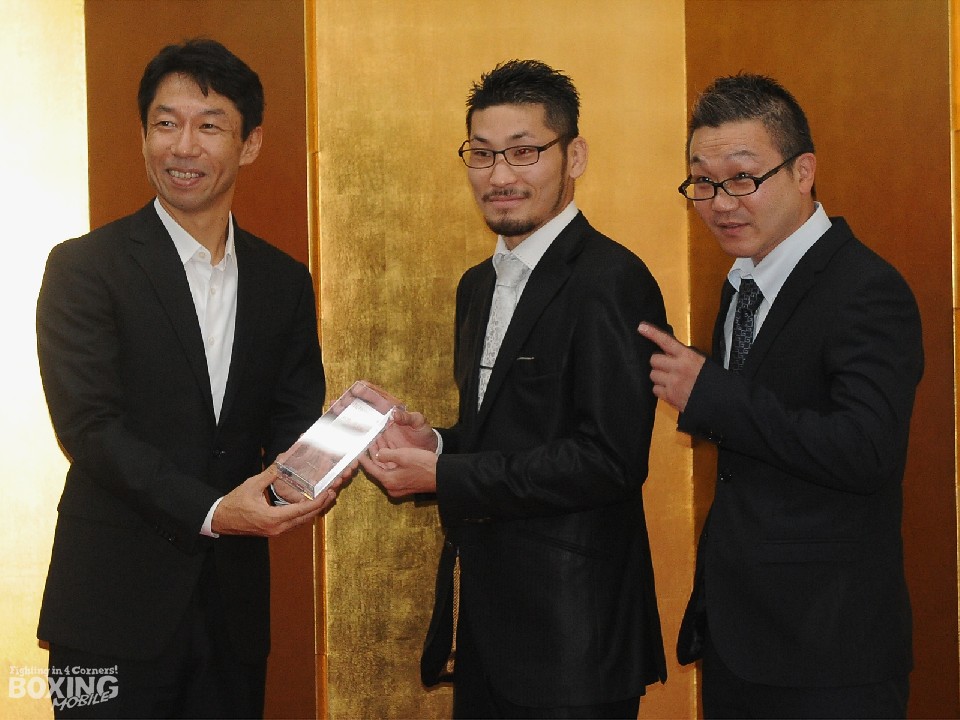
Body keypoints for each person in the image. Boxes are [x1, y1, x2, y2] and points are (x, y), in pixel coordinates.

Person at [36, 39, 341, 718]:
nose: (183, 146)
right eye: (165, 123)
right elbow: (90, 428)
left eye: (209, 126)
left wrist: (333, 458)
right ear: (143, 137)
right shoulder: (84, 268)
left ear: (250, 144)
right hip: (106, 608)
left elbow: (292, 421)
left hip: (232, 614)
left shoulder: (283, 281)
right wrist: (212, 511)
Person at [360, 59, 667, 719]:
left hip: (575, 641)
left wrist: (446, 475)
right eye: (482, 154)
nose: (500, 176)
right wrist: (434, 443)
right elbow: (507, 434)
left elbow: (609, 459)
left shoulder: (610, 280)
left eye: (524, 152)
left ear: (574, 156)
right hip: (488, 631)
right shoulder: (478, 285)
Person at [639, 73, 923, 718]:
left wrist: (713, 396)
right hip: (740, 639)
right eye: (703, 182)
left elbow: (867, 450)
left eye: (743, 178)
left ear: (803, 172)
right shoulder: (743, 281)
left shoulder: (867, 288)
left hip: (831, 648)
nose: (721, 203)